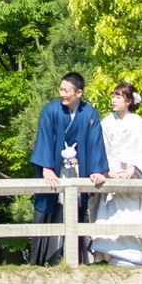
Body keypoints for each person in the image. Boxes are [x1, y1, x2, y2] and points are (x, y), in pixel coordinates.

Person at [29, 72, 107, 266]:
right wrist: (46, 167)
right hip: (54, 167)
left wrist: (96, 170)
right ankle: (42, 261)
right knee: (47, 208)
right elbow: (45, 138)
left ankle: (76, 259)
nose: (62, 93)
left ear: (78, 92)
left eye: (66, 90)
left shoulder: (89, 113)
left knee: (77, 209)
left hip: (78, 169)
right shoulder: (50, 110)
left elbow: (95, 142)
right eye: (61, 89)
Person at [86, 82, 142, 266]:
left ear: (128, 100)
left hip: (132, 179)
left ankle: (134, 255)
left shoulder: (138, 123)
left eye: (118, 96)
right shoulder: (106, 122)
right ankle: (108, 254)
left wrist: (134, 167)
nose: (113, 100)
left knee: (133, 216)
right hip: (112, 177)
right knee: (110, 215)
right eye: (113, 96)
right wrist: (106, 168)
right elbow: (97, 147)